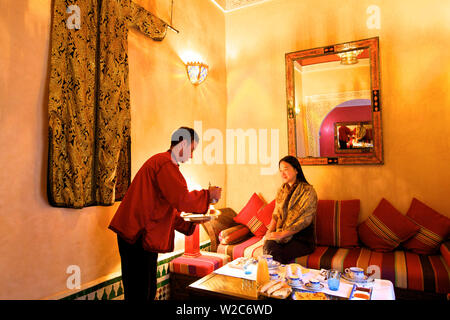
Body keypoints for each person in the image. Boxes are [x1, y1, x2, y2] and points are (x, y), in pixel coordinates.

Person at [108, 127, 222, 301]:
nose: (191, 155)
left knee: (147, 290)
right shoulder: (164, 163)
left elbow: (168, 209)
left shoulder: (165, 163)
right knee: (140, 293)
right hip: (137, 235)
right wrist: (208, 195)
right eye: (191, 150)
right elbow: (182, 199)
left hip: (140, 236)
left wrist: (192, 221)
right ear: (182, 144)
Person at [263, 155, 317, 264]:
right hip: (282, 236)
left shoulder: (308, 191)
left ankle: (276, 278)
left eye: (286, 169)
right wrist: (268, 234)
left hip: (302, 239)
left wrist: (281, 235)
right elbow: (276, 214)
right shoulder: (282, 190)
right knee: (269, 246)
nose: (283, 174)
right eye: (281, 171)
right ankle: (275, 278)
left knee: (276, 253)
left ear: (296, 170)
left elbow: (304, 221)